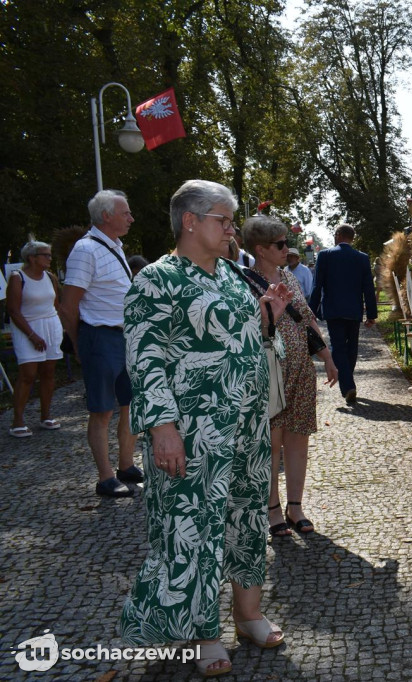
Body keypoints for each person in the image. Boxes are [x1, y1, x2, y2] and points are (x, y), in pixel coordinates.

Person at [119, 180, 291, 677]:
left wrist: (267, 321)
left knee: (246, 519)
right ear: (190, 221)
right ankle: (201, 633)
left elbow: (239, 343)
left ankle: (248, 614)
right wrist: (162, 428)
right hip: (192, 434)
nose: (231, 228)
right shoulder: (157, 280)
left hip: (246, 428)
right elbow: (145, 359)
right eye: (224, 219)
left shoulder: (233, 278)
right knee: (193, 530)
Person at [242, 216, 338, 536]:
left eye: (286, 242)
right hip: (268, 370)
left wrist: (326, 356)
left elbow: (307, 318)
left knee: (298, 438)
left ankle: (295, 506)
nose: (287, 248)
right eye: (280, 244)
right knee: (271, 441)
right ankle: (271, 508)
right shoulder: (244, 282)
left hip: (300, 368)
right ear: (260, 249)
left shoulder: (289, 276)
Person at [61, 189, 141, 497]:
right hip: (100, 336)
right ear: (106, 216)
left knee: (129, 405)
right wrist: (79, 343)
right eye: (126, 213)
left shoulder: (114, 246)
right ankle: (105, 477)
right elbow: (68, 305)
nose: (131, 218)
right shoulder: (85, 250)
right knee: (101, 410)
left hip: (121, 336)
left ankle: (125, 465)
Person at [309, 223, 377, 405]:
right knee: (352, 346)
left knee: (338, 347)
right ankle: (348, 382)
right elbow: (368, 288)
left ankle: (347, 386)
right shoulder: (362, 258)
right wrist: (371, 313)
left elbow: (317, 286)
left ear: (338, 235)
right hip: (354, 310)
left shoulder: (325, 255)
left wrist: (310, 311)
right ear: (351, 238)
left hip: (333, 310)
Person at [6, 241, 63, 437]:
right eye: (45, 255)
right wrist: (32, 335)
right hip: (27, 327)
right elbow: (13, 310)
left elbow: (55, 304)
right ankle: (18, 421)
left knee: (48, 372)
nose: (49, 258)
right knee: (28, 374)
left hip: (50, 325)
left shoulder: (50, 277)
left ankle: (45, 415)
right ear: (32, 257)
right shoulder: (17, 278)